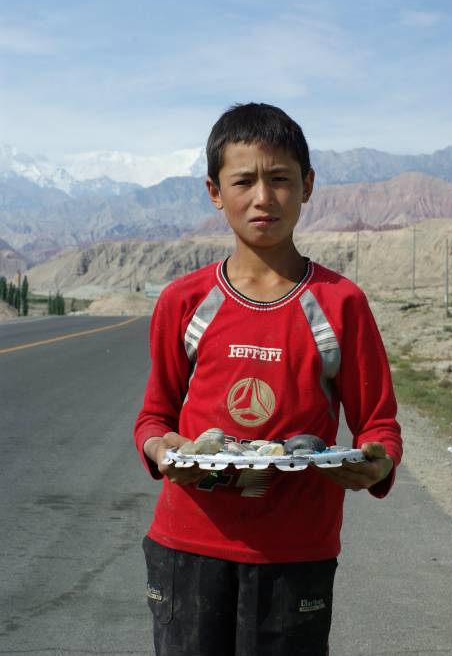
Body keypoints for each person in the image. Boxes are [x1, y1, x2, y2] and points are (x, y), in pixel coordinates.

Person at [134, 102, 403, 656]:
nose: (263, 197)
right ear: (214, 191)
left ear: (307, 185)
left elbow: (379, 423)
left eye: (280, 179)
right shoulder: (184, 302)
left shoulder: (341, 304)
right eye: (244, 181)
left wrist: (377, 462)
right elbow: (154, 417)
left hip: (295, 553)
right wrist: (164, 450)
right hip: (188, 546)